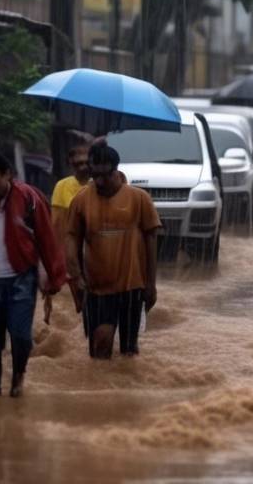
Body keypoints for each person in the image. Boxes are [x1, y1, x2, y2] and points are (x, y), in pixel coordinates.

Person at [0, 152, 66, 397]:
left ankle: (19, 373)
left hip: (20, 277)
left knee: (20, 336)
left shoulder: (28, 198)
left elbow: (46, 239)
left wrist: (54, 277)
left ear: (7, 176)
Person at [66, 144, 160, 359]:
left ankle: (125, 390)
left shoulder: (139, 199)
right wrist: (76, 276)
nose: (99, 181)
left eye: (104, 175)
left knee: (129, 351)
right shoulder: (81, 200)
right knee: (100, 345)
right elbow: (71, 238)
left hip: (132, 286)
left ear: (116, 170)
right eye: (94, 175)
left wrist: (151, 284)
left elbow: (151, 240)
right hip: (96, 287)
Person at [51, 144, 91, 316]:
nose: (82, 167)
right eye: (77, 163)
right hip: (73, 249)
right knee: (81, 301)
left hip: (97, 248)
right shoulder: (62, 186)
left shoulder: (100, 184)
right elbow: (57, 223)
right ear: (70, 164)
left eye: (85, 162)